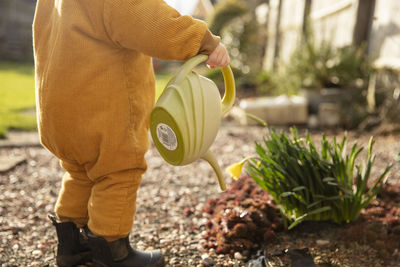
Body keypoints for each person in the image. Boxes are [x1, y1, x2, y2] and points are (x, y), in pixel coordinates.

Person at [32, 0, 230, 266]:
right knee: (119, 171)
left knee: (79, 172)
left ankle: (72, 247)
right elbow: (151, 21)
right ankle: (112, 252)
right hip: (101, 110)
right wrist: (204, 41)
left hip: (58, 111)